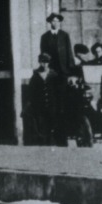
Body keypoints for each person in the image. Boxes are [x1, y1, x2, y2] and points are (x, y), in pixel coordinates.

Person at [40, 12, 79, 146]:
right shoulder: (45, 37)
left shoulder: (64, 36)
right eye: (53, 21)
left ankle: (63, 134)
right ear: (50, 22)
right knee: (52, 103)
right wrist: (46, 70)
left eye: (57, 21)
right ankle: (53, 133)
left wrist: (71, 73)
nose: (55, 23)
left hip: (63, 74)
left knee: (63, 103)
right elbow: (43, 56)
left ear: (60, 23)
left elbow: (70, 55)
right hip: (52, 74)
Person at [23, 53, 56, 145]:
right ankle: (42, 142)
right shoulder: (36, 74)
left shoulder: (53, 74)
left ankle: (50, 142)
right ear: (39, 62)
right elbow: (31, 90)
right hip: (39, 105)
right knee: (41, 124)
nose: (44, 64)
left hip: (51, 104)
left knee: (51, 123)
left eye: (46, 62)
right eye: (42, 62)